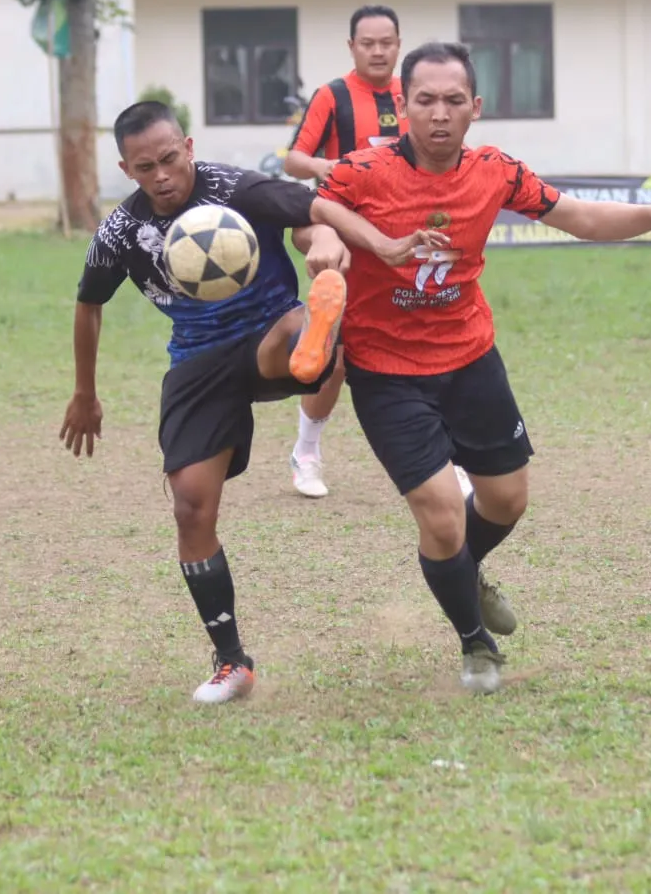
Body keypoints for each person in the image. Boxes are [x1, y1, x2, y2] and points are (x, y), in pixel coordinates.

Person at [315, 42, 651, 694]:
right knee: (441, 514)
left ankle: (462, 571)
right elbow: (315, 221)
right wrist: (328, 251)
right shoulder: (360, 170)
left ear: (475, 108)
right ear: (401, 107)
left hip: (470, 358)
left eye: (451, 101)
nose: (438, 114)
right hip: (386, 369)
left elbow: (579, 217)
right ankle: (476, 642)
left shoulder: (494, 172)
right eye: (424, 100)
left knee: (506, 499)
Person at [60, 100, 439, 704]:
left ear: (187, 146)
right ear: (126, 169)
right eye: (144, 167)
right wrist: (85, 391)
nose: (161, 175)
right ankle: (231, 662)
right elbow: (88, 303)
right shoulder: (121, 232)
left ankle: (319, 338)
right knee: (190, 506)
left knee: (298, 349)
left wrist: (358, 246)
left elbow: (315, 209)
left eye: (168, 159)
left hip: (271, 330)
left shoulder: (233, 186)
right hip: (198, 362)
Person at [280, 4, 417, 499]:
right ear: (352, 47)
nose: (378, 51)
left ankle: (446, 455)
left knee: (420, 344)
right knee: (334, 355)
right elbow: (294, 160)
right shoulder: (332, 95)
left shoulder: (415, 95)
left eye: (387, 43)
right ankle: (306, 453)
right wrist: (334, 167)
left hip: (397, 237)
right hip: (334, 222)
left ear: (399, 44)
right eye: (368, 43)